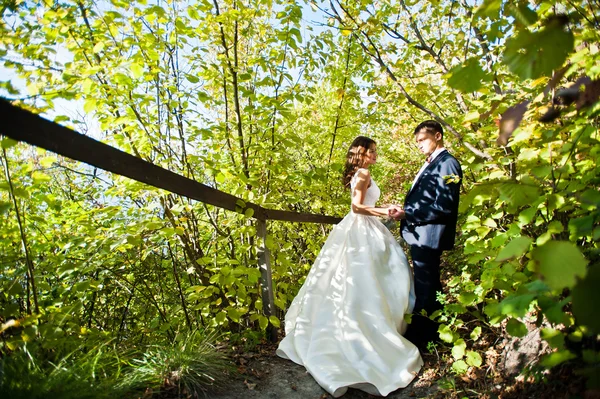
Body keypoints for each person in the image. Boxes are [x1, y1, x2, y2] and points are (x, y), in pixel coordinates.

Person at [276, 136, 423, 398]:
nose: (376, 155)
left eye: (376, 151)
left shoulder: (360, 172)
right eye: (372, 151)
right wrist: (384, 211)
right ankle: (371, 336)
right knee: (370, 279)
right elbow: (357, 207)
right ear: (361, 153)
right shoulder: (363, 172)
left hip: (362, 230)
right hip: (362, 229)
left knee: (362, 281)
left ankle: (367, 329)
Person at [388, 120, 462, 350]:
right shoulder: (433, 163)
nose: (419, 145)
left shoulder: (448, 164)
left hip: (429, 235)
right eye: (417, 141)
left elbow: (445, 207)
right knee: (428, 284)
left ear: (437, 136)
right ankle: (434, 332)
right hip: (421, 233)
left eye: (422, 140)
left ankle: (424, 338)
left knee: (426, 285)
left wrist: (407, 213)